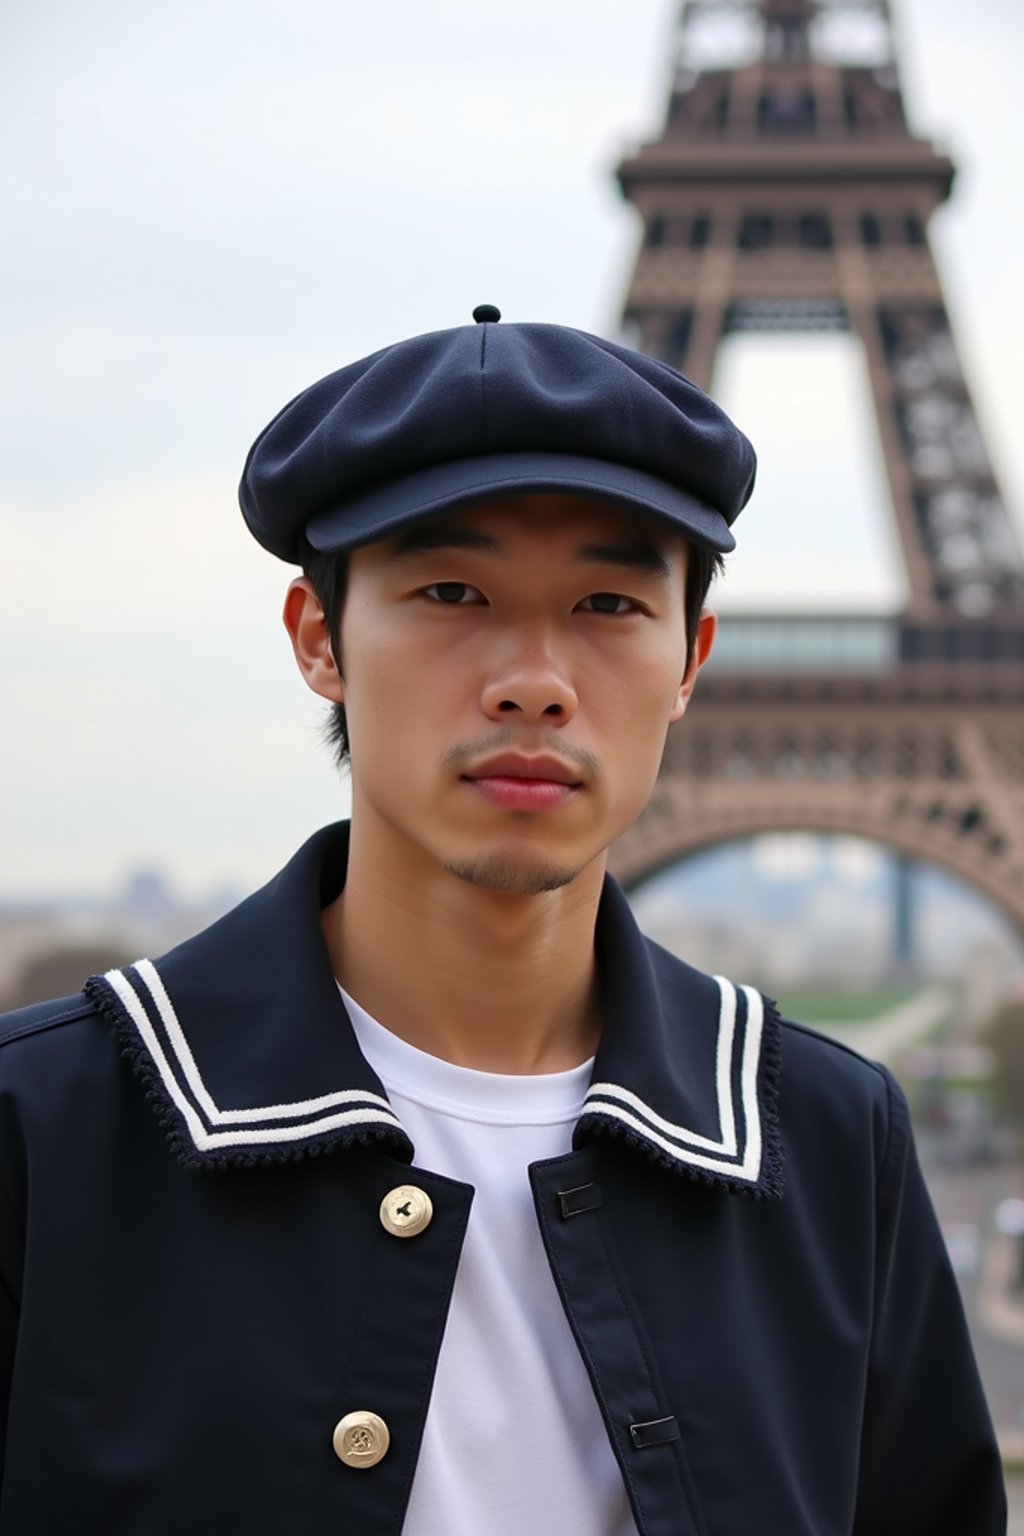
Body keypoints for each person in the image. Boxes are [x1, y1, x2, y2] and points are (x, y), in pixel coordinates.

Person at [0, 307, 1005, 1535]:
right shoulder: (34, 1141)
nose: (533, 676)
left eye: (607, 605)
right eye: (451, 589)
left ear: (691, 661)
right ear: (320, 639)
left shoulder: (843, 1148)